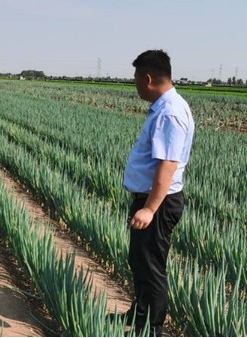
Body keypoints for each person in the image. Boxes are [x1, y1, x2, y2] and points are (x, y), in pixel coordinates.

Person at [117, 50, 195, 336]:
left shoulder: (170, 112)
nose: (135, 84)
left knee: (150, 266)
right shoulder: (165, 108)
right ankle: (138, 313)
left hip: (158, 204)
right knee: (139, 259)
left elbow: (168, 166)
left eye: (136, 78)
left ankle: (151, 328)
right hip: (151, 200)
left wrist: (149, 209)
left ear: (147, 78)